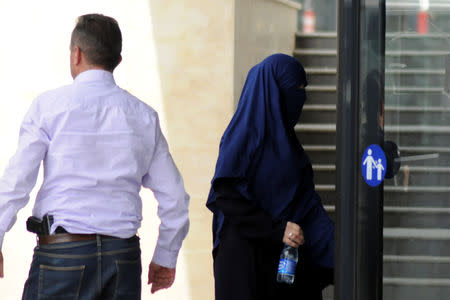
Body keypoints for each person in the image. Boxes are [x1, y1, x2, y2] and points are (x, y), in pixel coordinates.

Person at [0, 13, 189, 299]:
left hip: (62, 255)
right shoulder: (144, 117)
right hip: (122, 258)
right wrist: (166, 255)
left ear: (76, 54)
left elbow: (16, 183)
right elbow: (175, 197)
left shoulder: (48, 108)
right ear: (118, 60)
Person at [206, 53, 334, 300]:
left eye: (303, 89)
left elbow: (306, 206)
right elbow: (226, 195)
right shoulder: (241, 139)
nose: (301, 96)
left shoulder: (290, 149)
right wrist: (277, 230)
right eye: (295, 89)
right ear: (273, 93)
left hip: (283, 262)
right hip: (245, 266)